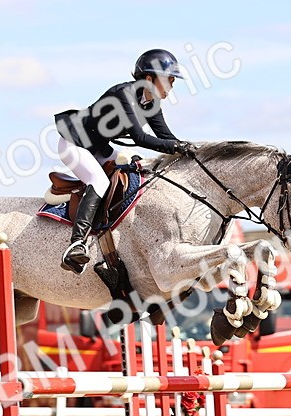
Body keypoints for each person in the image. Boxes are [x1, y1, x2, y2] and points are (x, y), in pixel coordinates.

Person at [53, 48, 194, 273]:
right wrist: (176, 147)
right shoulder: (124, 94)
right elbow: (139, 137)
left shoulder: (152, 104)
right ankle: (76, 244)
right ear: (149, 78)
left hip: (97, 148)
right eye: (169, 78)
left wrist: (190, 150)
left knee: (133, 172)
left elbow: (166, 138)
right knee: (99, 182)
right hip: (73, 143)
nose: (172, 84)